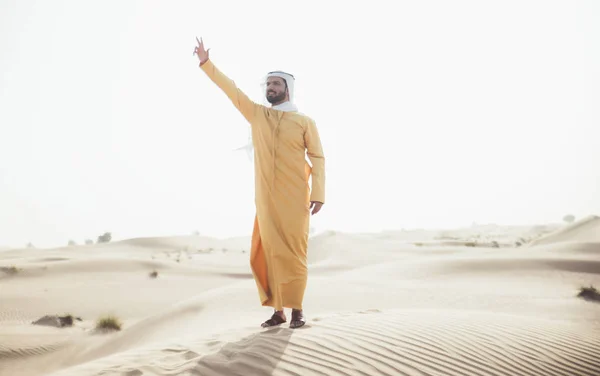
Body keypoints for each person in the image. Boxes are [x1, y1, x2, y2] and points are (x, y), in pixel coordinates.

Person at [193, 37, 326, 329]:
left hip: (296, 198)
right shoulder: (258, 115)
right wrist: (206, 64)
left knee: (294, 252)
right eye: (268, 85)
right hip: (265, 198)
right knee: (268, 252)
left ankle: (297, 310)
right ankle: (278, 311)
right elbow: (232, 91)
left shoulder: (304, 122)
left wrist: (318, 193)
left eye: (276, 85)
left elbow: (317, 157)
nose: (270, 89)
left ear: (287, 89)